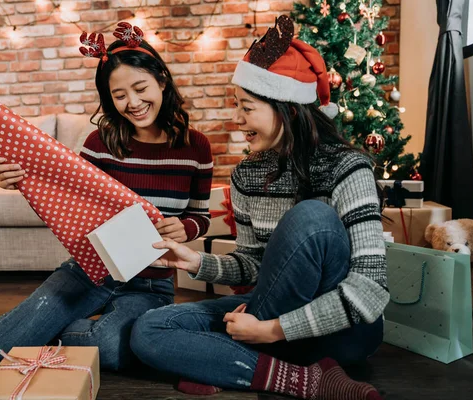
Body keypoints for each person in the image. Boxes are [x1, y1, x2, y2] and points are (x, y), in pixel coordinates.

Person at [0, 22, 213, 373]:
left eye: (140, 87)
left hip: (149, 284)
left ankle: (36, 331)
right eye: (119, 95)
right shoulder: (99, 144)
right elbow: (65, 201)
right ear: (109, 99)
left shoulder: (197, 146)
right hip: (89, 270)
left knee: (112, 349)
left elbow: (200, 216)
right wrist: (19, 180)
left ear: (162, 80)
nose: (132, 103)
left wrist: (185, 229)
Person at [130, 15, 386, 400]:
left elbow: (370, 291)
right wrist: (196, 262)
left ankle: (224, 360)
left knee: (312, 218)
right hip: (271, 315)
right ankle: (308, 380)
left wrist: (270, 330)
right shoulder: (248, 175)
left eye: (247, 108)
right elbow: (253, 264)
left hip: (342, 332)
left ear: (288, 109)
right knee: (147, 330)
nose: (237, 120)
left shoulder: (347, 168)